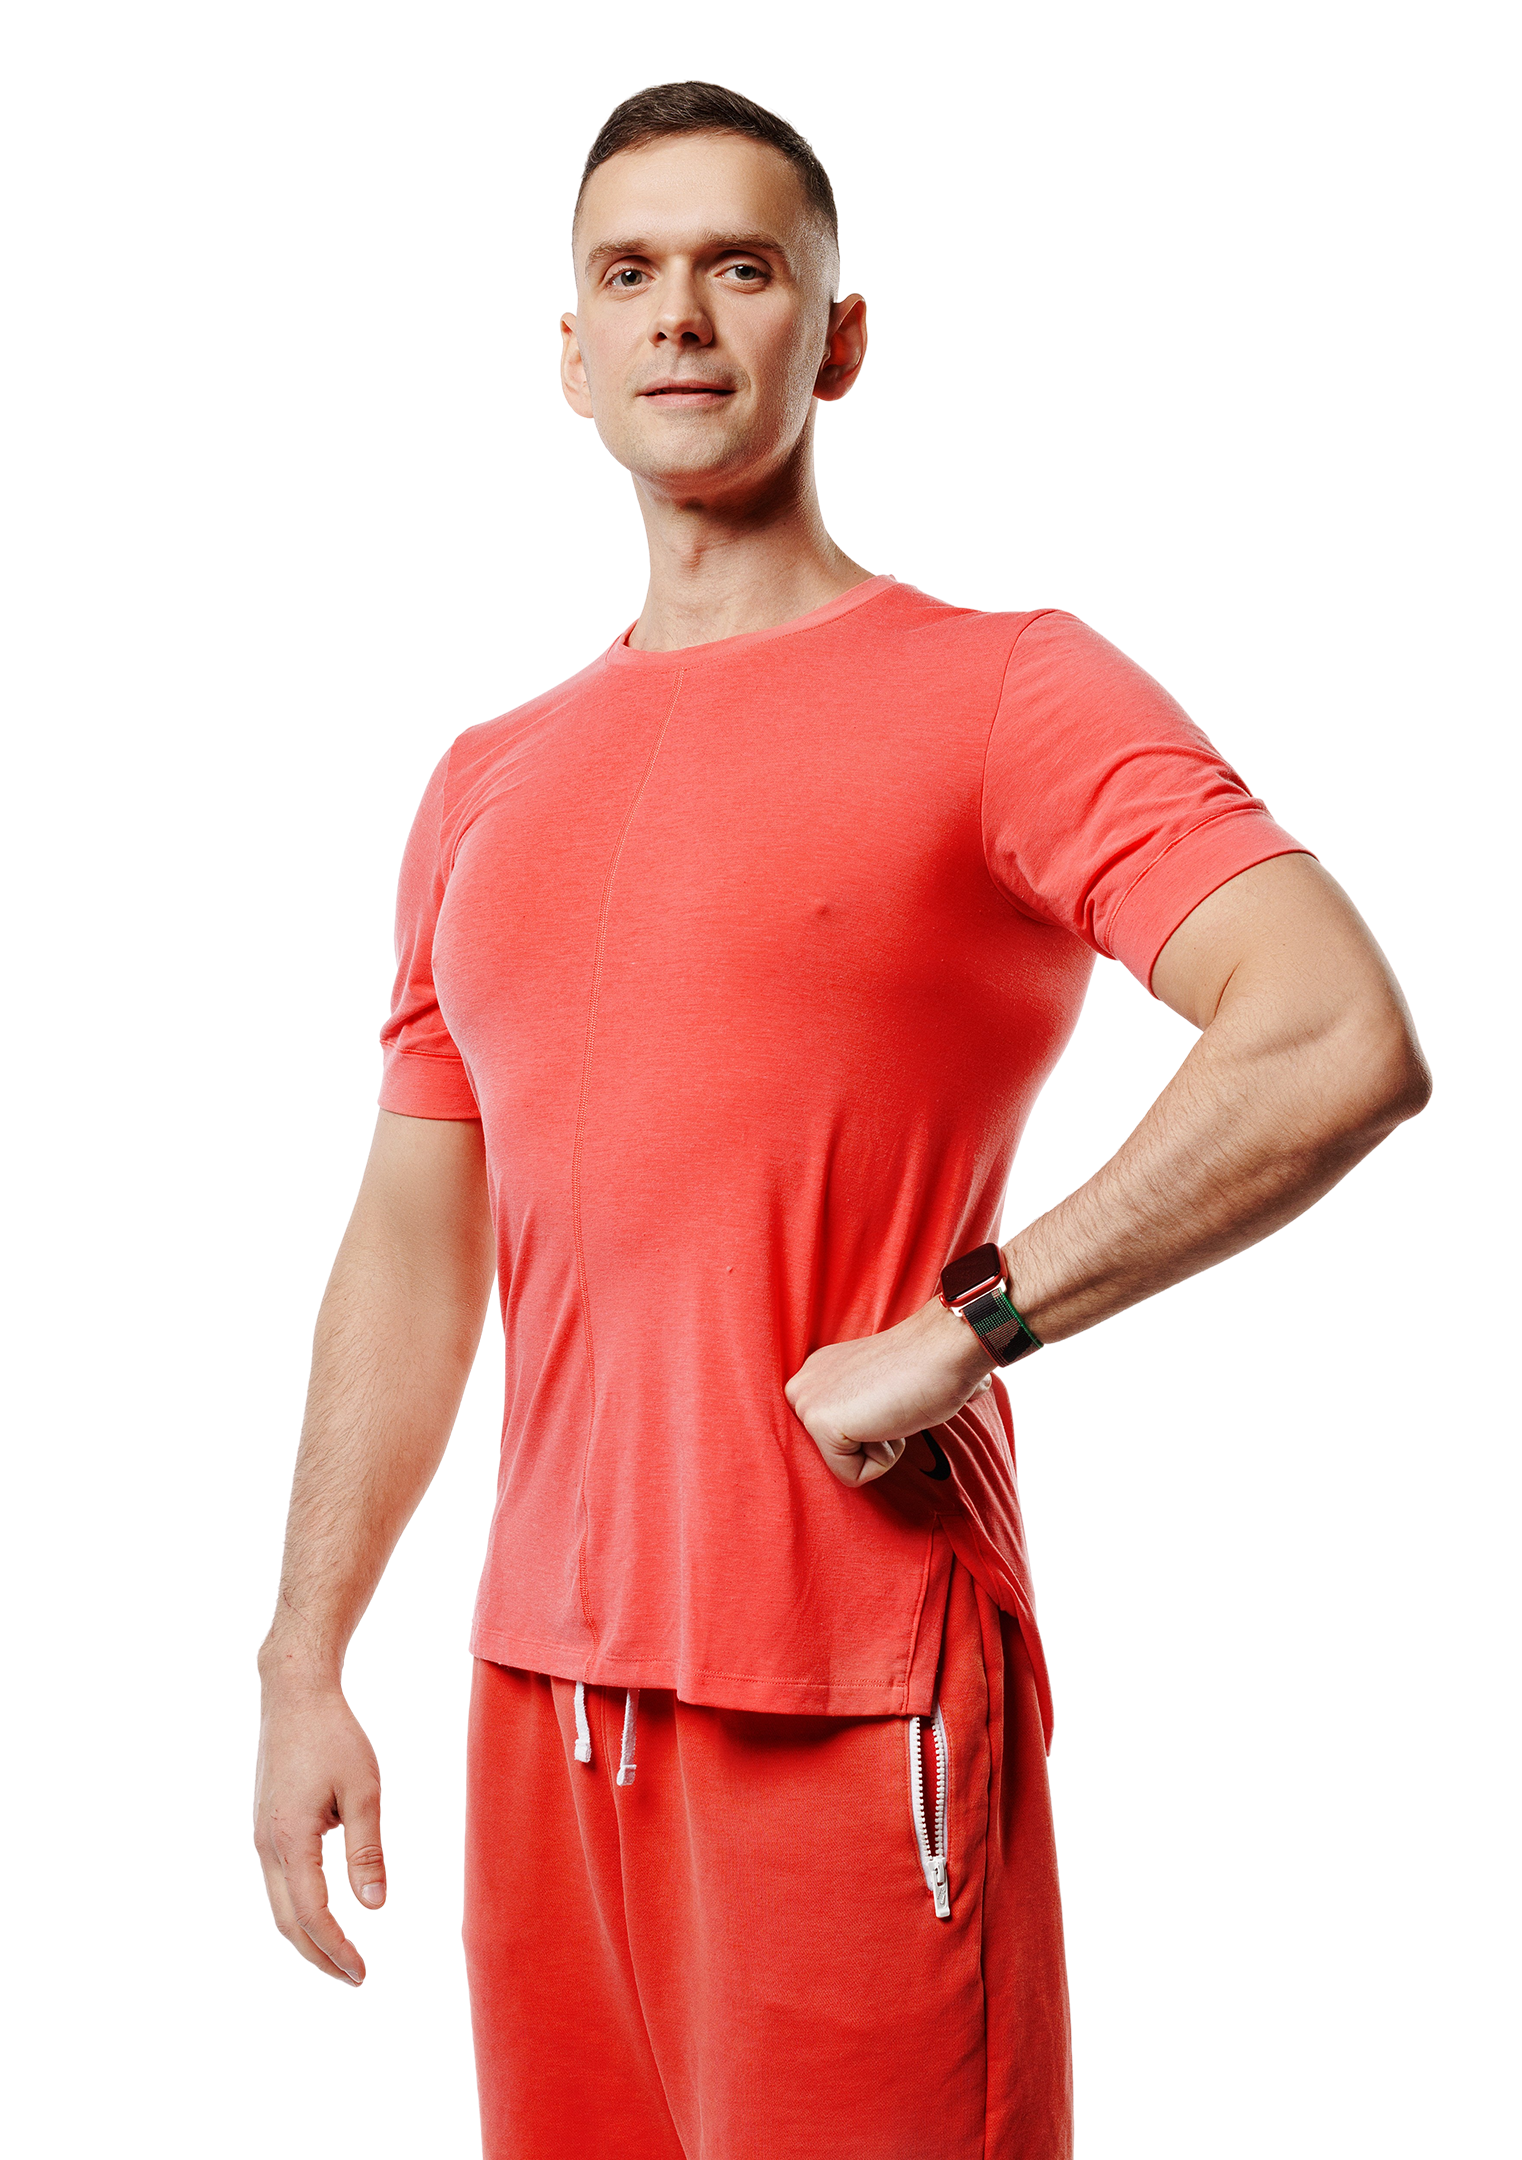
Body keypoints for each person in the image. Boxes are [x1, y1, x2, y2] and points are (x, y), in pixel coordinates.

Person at [253, 81, 1432, 2160]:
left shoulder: (1004, 691)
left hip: (847, 1676)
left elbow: (1328, 1029)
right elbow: (417, 1244)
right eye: (627, 273)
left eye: (738, 265)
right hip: (544, 1701)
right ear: (569, 350)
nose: (677, 315)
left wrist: (973, 1319)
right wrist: (303, 1665)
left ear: (836, 334)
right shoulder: (483, 780)